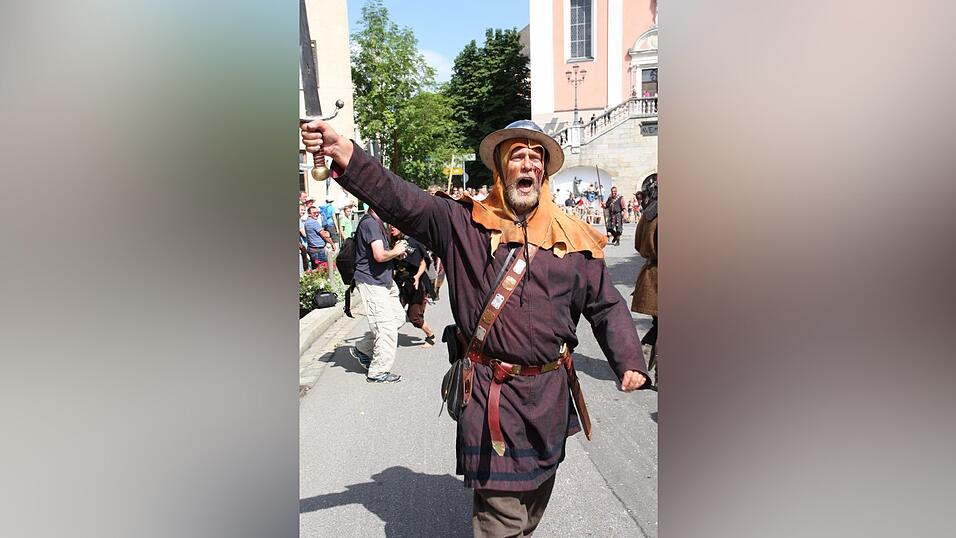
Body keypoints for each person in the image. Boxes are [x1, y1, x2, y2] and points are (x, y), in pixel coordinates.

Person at [301, 118, 650, 536]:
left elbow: (607, 305)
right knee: (501, 518)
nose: (528, 165)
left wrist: (629, 359)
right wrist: (347, 154)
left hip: (550, 397)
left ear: (544, 172)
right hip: (492, 397)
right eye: (517, 156)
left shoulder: (573, 238)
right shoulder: (462, 223)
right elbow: (402, 200)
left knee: (534, 500)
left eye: (536, 158)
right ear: (502, 169)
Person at [349, 207, 409, 383]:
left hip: (384, 282)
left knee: (397, 318)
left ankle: (362, 349)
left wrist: (395, 255)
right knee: (386, 327)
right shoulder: (370, 224)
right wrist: (395, 251)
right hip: (372, 283)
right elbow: (379, 255)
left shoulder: (377, 223)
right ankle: (378, 371)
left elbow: (382, 253)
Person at [389, 225, 436, 347]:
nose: (391, 227)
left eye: (394, 225)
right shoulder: (391, 243)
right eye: (389, 225)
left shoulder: (413, 243)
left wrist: (417, 276)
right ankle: (386, 341)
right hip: (400, 284)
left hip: (416, 284)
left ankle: (431, 336)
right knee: (393, 313)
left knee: (414, 316)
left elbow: (423, 263)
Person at [631, 174, 658, 388]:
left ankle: (637, 364)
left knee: (658, 325)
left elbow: (638, 244)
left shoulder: (648, 213)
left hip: (650, 274)